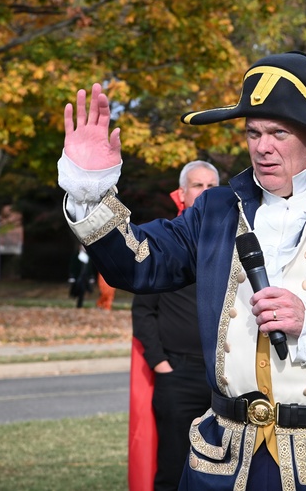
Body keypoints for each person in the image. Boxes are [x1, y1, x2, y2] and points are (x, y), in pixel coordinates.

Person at [58, 51, 306, 490]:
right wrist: (90, 190)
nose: (262, 147)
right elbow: (140, 265)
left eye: (279, 132)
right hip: (221, 466)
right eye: (253, 132)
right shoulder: (216, 209)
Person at [130, 160, 220, 491]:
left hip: (223, 378)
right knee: (173, 466)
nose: (206, 192)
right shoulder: (165, 243)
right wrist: (160, 363)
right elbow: (143, 312)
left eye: (212, 186)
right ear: (181, 193)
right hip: (177, 375)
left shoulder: (235, 243)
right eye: (198, 185)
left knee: (224, 467)